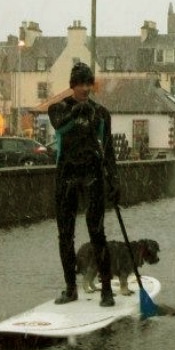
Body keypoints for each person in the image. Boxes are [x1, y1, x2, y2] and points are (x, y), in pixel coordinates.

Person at [47, 63, 120, 307]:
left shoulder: (101, 114)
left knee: (97, 233)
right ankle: (70, 288)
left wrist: (114, 180)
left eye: (88, 84)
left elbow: (108, 150)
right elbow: (60, 125)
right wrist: (78, 111)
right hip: (66, 176)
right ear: (72, 85)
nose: (85, 89)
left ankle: (107, 289)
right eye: (80, 84)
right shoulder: (57, 109)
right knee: (65, 235)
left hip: (93, 175)